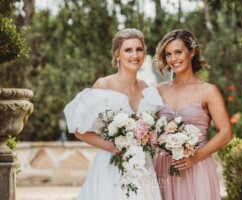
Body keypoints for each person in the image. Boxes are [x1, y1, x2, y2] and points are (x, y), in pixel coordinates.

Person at [64, 28, 163, 200]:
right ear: (117, 55)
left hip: (142, 164)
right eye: (128, 50)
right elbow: (79, 129)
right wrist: (110, 147)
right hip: (112, 165)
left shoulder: (145, 88)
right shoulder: (104, 85)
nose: (135, 55)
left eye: (139, 49)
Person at [153, 29, 232, 200]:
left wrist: (194, 158)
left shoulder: (208, 91)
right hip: (164, 168)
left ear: (192, 51)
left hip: (197, 168)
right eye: (168, 54)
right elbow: (147, 129)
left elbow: (226, 133)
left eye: (178, 52)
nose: (173, 59)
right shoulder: (159, 91)